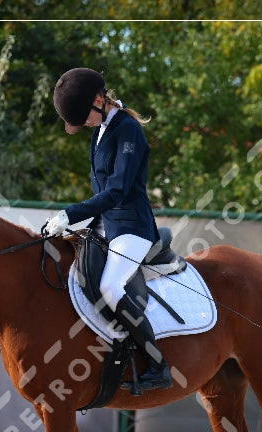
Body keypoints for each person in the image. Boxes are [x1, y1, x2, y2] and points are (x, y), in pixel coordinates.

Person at [44, 67, 171, 391]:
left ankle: (157, 366)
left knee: (112, 288)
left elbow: (116, 191)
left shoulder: (128, 131)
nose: (84, 123)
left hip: (132, 228)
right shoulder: (100, 129)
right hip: (105, 225)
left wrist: (71, 214)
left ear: (99, 100)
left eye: (83, 115)